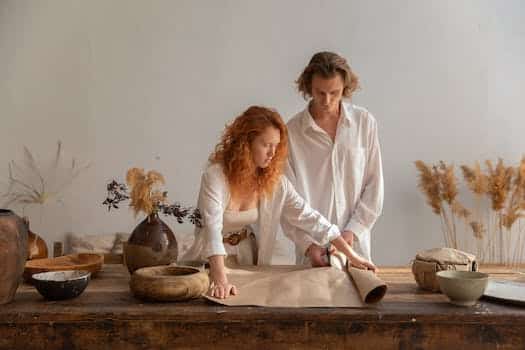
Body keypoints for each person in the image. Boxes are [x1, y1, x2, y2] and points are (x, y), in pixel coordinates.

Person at [182, 106, 376, 299]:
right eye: (266, 145)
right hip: (210, 261)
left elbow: (309, 218)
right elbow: (212, 230)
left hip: (248, 259)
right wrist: (220, 279)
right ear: (246, 143)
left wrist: (353, 256)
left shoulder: (274, 182)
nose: (272, 153)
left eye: (276, 145)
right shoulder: (215, 177)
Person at [282, 51, 384, 267]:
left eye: (334, 93)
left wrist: (352, 231)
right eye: (320, 93)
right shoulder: (291, 133)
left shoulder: (364, 123)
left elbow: (375, 185)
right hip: (312, 254)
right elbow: (287, 201)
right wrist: (309, 245)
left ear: (345, 88)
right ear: (308, 86)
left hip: (357, 247)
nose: (327, 101)